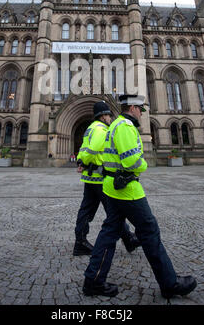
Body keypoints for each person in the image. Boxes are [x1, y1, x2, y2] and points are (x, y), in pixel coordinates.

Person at [83, 94, 197, 300]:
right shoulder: (125, 126)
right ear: (133, 108)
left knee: (109, 233)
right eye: (140, 110)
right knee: (149, 231)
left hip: (111, 186)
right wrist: (144, 164)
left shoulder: (115, 124)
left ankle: (93, 280)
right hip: (127, 189)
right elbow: (132, 161)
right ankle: (169, 283)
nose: (142, 114)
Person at [73, 100, 140, 256]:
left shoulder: (90, 128)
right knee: (114, 211)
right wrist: (87, 160)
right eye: (109, 115)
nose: (110, 118)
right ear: (103, 116)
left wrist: (81, 161)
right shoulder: (101, 130)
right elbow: (93, 149)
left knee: (86, 210)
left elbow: (83, 149)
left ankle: (80, 241)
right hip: (99, 177)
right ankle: (128, 239)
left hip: (90, 177)